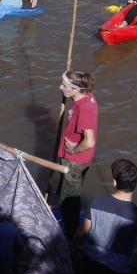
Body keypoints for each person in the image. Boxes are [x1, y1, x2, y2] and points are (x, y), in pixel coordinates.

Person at [48, 70, 98, 235]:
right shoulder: (85, 97)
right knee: (56, 185)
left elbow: (89, 141)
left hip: (74, 162)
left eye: (64, 85)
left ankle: (70, 235)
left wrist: (73, 149)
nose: (60, 87)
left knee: (69, 201)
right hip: (68, 157)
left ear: (76, 89)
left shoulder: (84, 109)